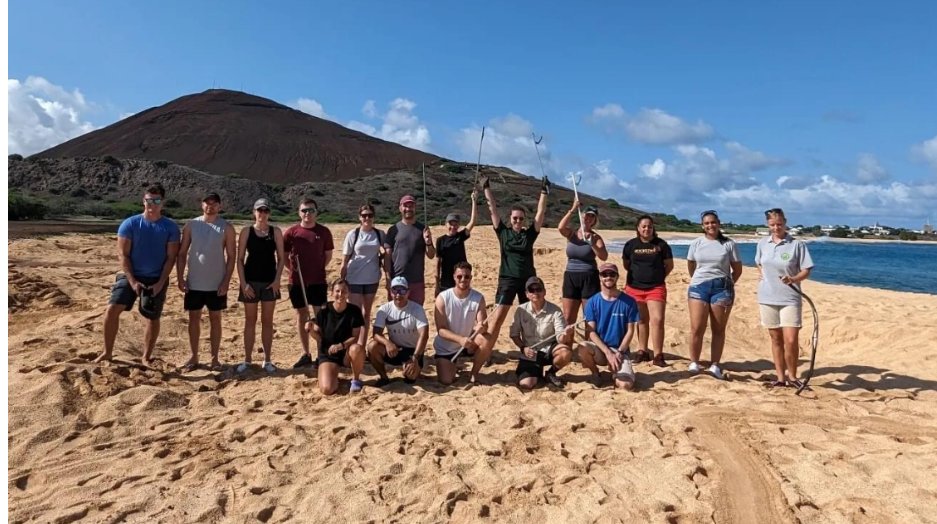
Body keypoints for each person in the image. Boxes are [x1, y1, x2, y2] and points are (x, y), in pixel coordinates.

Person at [96, 183, 180, 364]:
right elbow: (123, 254)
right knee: (112, 310)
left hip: (156, 277)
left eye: (156, 200)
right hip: (131, 274)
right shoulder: (130, 224)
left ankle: (146, 356)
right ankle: (107, 352)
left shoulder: (170, 227)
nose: (152, 204)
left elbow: (171, 258)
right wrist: (132, 281)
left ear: (162, 203)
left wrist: (160, 282)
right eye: (149, 200)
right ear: (144, 201)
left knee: (152, 316)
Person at [481, 173, 549, 351]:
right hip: (507, 279)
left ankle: (532, 349)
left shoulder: (529, 235)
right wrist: (486, 188)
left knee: (531, 317)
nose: (518, 221)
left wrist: (544, 191)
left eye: (521, 218)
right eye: (515, 218)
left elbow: (540, 213)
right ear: (510, 219)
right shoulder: (503, 233)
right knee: (497, 317)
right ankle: (487, 351)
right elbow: (493, 209)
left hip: (528, 281)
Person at [175, 192, 236, 371]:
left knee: (215, 318)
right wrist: (180, 277)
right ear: (202, 205)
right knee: (194, 318)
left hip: (216, 283)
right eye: (207, 203)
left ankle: (215, 358)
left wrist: (226, 281)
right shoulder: (192, 225)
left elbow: (231, 256)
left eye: (214, 203)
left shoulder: (226, 227)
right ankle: (194, 356)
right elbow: (182, 253)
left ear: (219, 206)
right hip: (194, 282)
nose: (210, 206)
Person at [756, 208, 814, 388]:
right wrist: (763, 275)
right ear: (768, 224)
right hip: (767, 297)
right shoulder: (762, 243)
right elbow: (758, 262)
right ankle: (780, 378)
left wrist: (793, 279)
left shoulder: (797, 244)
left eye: (779, 224)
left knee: (791, 340)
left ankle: (793, 376)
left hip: (790, 297)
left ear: (785, 222)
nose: (776, 228)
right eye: (772, 225)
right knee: (776, 339)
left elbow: (806, 269)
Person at [686, 210, 743, 380]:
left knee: (718, 329)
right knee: (697, 327)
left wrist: (728, 283)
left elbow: (737, 269)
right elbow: (691, 264)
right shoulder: (696, 243)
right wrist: (698, 279)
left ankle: (715, 365)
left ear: (718, 223)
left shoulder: (728, 244)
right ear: (702, 226)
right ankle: (694, 362)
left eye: (713, 222)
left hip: (722, 288)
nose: (710, 225)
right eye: (707, 223)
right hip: (698, 287)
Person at [235, 198, 285, 374]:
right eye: (259, 211)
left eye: (265, 211)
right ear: (254, 213)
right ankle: (247, 360)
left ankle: (268, 360)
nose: (262, 214)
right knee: (250, 321)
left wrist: (278, 280)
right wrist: (243, 283)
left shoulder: (275, 231)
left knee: (267, 322)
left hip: (270, 283)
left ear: (269, 213)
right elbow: (240, 260)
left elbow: (281, 258)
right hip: (250, 282)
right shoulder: (246, 232)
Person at [284, 198, 335, 369]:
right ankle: (306, 353)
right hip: (297, 282)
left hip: (318, 281)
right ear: (299, 212)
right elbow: (284, 256)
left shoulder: (324, 232)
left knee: (319, 317)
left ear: (316, 212)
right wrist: (292, 270)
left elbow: (328, 255)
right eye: (304, 210)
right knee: (301, 316)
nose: (308, 213)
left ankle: (322, 352)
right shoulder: (291, 232)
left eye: (311, 210)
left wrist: (318, 268)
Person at [577, 263, 641, 390]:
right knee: (583, 347)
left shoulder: (629, 302)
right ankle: (595, 373)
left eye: (612, 274)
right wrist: (607, 352)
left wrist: (619, 352)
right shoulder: (592, 302)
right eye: (604, 274)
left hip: (620, 350)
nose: (608, 277)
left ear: (617, 277)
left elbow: (630, 331)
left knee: (625, 385)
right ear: (600, 277)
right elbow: (591, 332)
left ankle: (616, 372)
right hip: (601, 350)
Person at [622, 215, 674, 367]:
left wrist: (657, 277)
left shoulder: (661, 245)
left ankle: (658, 354)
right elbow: (626, 265)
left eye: (649, 226)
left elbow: (669, 266)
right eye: (643, 226)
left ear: (653, 228)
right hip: (634, 288)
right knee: (641, 320)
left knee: (657, 320)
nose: (647, 229)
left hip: (655, 288)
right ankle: (642, 351)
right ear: (638, 228)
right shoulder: (631, 245)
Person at [432, 261, 494, 385]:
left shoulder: (478, 297)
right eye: (459, 276)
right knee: (446, 380)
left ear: (471, 278)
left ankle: (474, 373)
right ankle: (452, 365)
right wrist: (460, 339)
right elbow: (441, 330)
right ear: (454, 277)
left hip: (468, 344)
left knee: (486, 339)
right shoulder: (443, 298)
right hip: (446, 347)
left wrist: (480, 328)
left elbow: (483, 324)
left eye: (467, 276)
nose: (463, 279)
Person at [509, 276, 574, 389]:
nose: (535, 293)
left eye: (538, 289)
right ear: (527, 294)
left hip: (548, 350)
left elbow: (560, 339)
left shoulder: (555, 311)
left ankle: (551, 372)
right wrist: (523, 348)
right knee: (526, 384)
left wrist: (566, 334)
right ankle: (536, 372)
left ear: (544, 292)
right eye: (531, 290)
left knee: (565, 352)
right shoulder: (520, 310)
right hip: (530, 352)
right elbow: (514, 334)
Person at [367, 276, 429, 387]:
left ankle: (413, 368)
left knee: (410, 377)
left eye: (402, 290)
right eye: (395, 290)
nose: (398, 294)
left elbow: (424, 335)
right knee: (372, 347)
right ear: (390, 292)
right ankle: (384, 377)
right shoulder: (384, 309)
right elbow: (376, 333)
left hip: (412, 351)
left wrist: (415, 357)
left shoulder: (417, 309)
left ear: (408, 292)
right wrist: (388, 343)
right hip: (394, 349)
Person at [557, 198, 608, 332]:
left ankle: (588, 349)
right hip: (571, 277)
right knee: (568, 318)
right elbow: (560, 227)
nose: (589, 218)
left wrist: (592, 244)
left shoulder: (596, 237)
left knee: (589, 318)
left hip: (589, 278)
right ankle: (567, 347)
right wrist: (573, 209)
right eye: (587, 215)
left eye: (592, 217)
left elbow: (604, 256)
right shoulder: (572, 234)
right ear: (582, 215)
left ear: (595, 220)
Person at [340, 203, 386, 346]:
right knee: (355, 314)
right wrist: (342, 279)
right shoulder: (353, 234)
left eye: (370, 215)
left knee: (366, 314)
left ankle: (362, 346)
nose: (367, 218)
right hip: (354, 278)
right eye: (364, 215)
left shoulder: (380, 234)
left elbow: (385, 253)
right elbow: (345, 259)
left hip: (372, 278)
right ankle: (352, 346)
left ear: (374, 217)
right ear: (359, 217)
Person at [310, 279, 366, 394]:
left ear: (348, 293)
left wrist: (341, 346)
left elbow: (355, 337)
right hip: (328, 354)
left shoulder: (354, 311)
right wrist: (310, 330)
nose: (340, 294)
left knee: (357, 348)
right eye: (337, 291)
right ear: (332, 293)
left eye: (344, 291)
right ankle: (331, 375)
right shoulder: (324, 310)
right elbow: (319, 337)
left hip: (345, 353)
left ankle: (355, 380)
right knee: (327, 389)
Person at [384, 194, 435, 305]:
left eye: (411, 206)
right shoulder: (393, 230)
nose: (408, 209)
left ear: (415, 208)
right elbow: (387, 257)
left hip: (416, 281)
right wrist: (388, 278)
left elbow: (431, 255)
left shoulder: (423, 229)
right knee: (396, 315)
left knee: (415, 315)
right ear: (400, 208)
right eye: (405, 206)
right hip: (397, 280)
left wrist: (429, 242)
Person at [435, 189, 478, 295]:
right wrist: (436, 285)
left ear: (458, 225)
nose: (453, 227)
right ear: (446, 224)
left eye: (455, 224)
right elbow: (437, 263)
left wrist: (474, 201)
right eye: (450, 224)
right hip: (445, 279)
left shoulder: (461, 236)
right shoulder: (440, 240)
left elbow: (472, 222)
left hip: (461, 277)